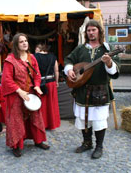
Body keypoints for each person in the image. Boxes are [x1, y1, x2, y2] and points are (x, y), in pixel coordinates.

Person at [64, 20, 120, 159]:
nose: (91, 33)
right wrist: (70, 69)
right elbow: (68, 60)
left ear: (99, 31)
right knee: (84, 119)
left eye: (93, 30)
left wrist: (109, 63)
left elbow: (116, 73)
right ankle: (87, 142)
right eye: (88, 30)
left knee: (99, 120)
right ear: (86, 33)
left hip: (100, 91)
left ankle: (99, 146)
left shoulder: (107, 49)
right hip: (83, 91)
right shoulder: (81, 49)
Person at [1, 33, 50, 157]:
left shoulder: (31, 58)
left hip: (31, 93)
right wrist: (19, 91)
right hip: (16, 95)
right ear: (16, 45)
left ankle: (38, 141)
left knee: (36, 117)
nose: (24, 43)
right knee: (16, 120)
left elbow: (37, 74)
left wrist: (37, 85)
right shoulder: (10, 60)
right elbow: (7, 80)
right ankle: (16, 145)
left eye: (26, 41)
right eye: (21, 41)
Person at [34, 44, 60, 130]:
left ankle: (42, 124)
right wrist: (56, 81)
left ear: (38, 49)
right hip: (51, 82)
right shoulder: (53, 57)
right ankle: (51, 124)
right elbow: (56, 70)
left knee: (41, 104)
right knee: (51, 104)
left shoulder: (35, 57)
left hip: (39, 83)